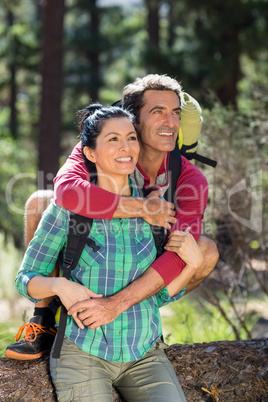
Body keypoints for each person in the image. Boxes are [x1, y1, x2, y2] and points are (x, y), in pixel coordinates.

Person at [5, 74, 219, 360]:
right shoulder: (97, 145)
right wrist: (142, 208)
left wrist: (118, 305)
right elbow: (67, 192)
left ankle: (141, 321)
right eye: (158, 112)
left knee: (204, 249)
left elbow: (180, 254)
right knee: (39, 202)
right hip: (93, 248)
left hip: (148, 263)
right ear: (133, 118)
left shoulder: (190, 180)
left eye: (175, 113)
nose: (170, 122)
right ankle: (44, 319)